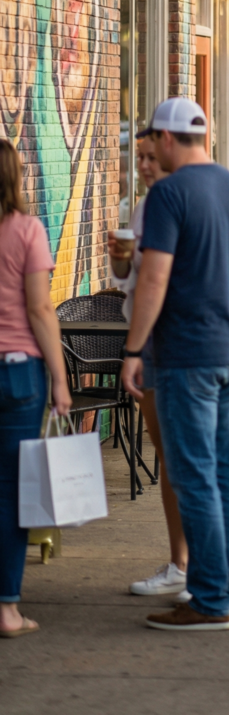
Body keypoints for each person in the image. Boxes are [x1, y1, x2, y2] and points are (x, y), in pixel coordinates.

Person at [121, 97, 229, 633]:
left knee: (194, 478)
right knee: (220, 477)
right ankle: (226, 592)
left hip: (188, 356)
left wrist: (134, 351)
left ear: (164, 138)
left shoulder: (168, 194)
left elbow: (154, 279)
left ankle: (208, 600)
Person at [108, 132, 188, 601]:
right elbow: (131, 281)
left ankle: (195, 568)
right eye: (136, 157)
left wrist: (133, 351)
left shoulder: (179, 202)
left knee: (185, 460)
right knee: (167, 456)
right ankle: (182, 562)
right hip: (151, 342)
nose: (141, 164)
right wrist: (119, 263)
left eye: (149, 156)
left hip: (176, 343)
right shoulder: (141, 208)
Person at [0, 138, 71, 638]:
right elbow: (42, 309)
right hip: (17, 372)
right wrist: (62, 380)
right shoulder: (26, 230)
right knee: (11, 492)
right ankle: (6, 610)